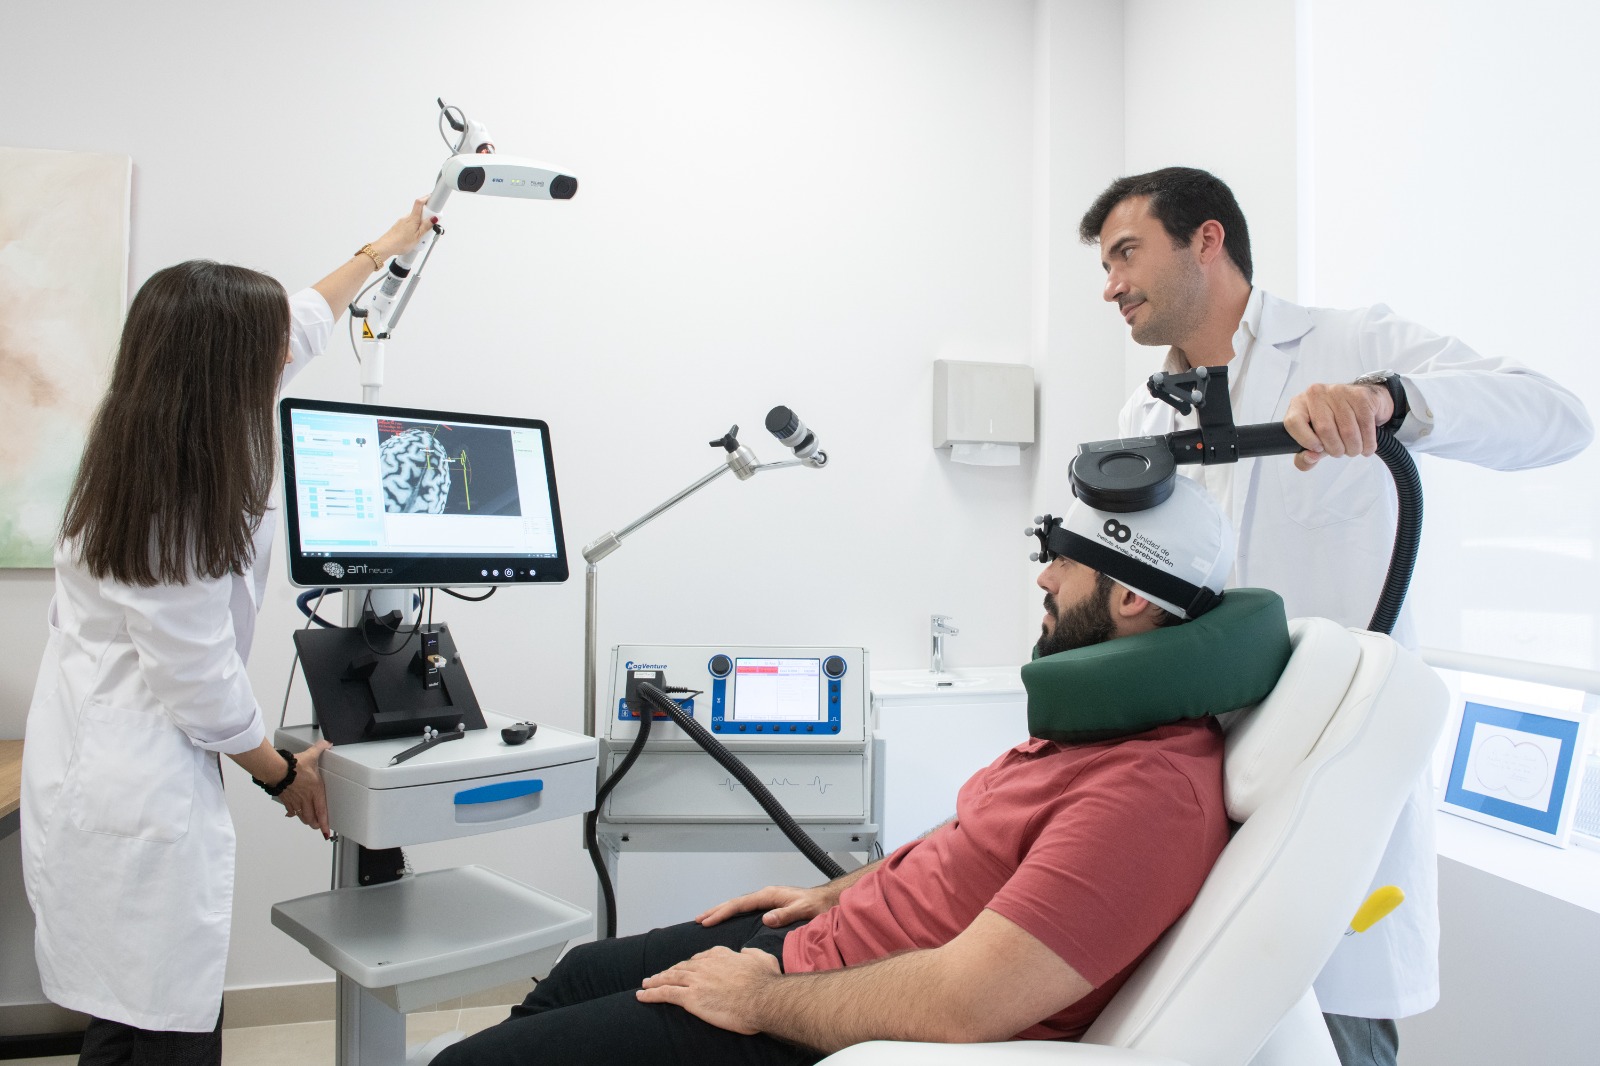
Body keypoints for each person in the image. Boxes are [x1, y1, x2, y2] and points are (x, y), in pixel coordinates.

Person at [433, 476, 1237, 1066]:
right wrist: (837, 892)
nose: (1044, 578)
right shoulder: (1100, 731)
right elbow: (969, 848)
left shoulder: (1146, 798)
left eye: (1067, 561)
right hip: (822, 941)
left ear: (1132, 600)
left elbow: (966, 1004)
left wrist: (759, 999)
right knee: (579, 971)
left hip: (828, 1019)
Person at [1077, 166, 1594, 1066]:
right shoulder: (1143, 415)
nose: (1111, 285)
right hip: (1190, 792)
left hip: (1329, 789)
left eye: (1126, 253)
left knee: (1334, 1036)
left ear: (1206, 240)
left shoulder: (1350, 343)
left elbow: (1560, 417)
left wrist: (1390, 400)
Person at [20, 199, 436, 1066]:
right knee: (156, 1024)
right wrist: (285, 774)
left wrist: (385, 248)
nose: (286, 349)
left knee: (131, 1005)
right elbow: (198, 680)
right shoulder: (175, 498)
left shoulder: (155, 432)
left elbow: (308, 317)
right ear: (229, 368)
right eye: (267, 345)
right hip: (137, 776)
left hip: (109, 754)